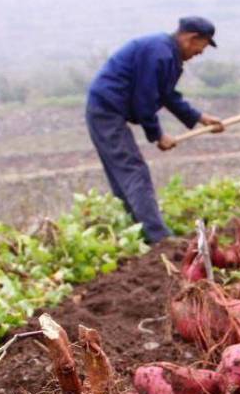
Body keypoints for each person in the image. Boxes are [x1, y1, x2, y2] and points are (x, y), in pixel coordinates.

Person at [86, 16, 225, 243]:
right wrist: (157, 135)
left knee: (125, 174)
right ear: (191, 38)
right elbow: (145, 98)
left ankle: (140, 232)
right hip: (106, 110)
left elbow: (167, 95)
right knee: (133, 171)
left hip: (110, 109)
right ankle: (159, 238)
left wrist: (200, 118)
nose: (200, 52)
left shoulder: (168, 55)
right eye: (203, 46)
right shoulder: (158, 53)